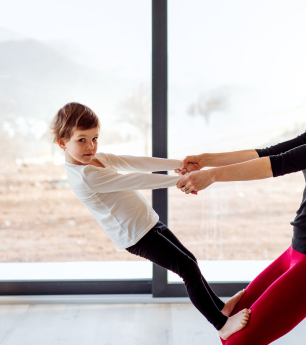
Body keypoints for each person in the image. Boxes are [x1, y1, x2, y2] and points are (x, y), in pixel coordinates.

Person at [177, 53, 306, 345]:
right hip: (296, 251)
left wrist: (214, 176)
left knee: (239, 340)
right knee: (232, 320)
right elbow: (267, 152)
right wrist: (206, 159)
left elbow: (279, 164)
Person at [49, 102, 250, 340]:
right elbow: (135, 180)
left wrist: (180, 165)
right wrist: (184, 180)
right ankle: (221, 325)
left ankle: (221, 308)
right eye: (82, 140)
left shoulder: (95, 160)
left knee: (190, 261)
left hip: (148, 222)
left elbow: (136, 162)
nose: (90, 146)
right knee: (187, 269)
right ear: (63, 142)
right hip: (136, 234)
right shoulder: (85, 176)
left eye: (94, 138)